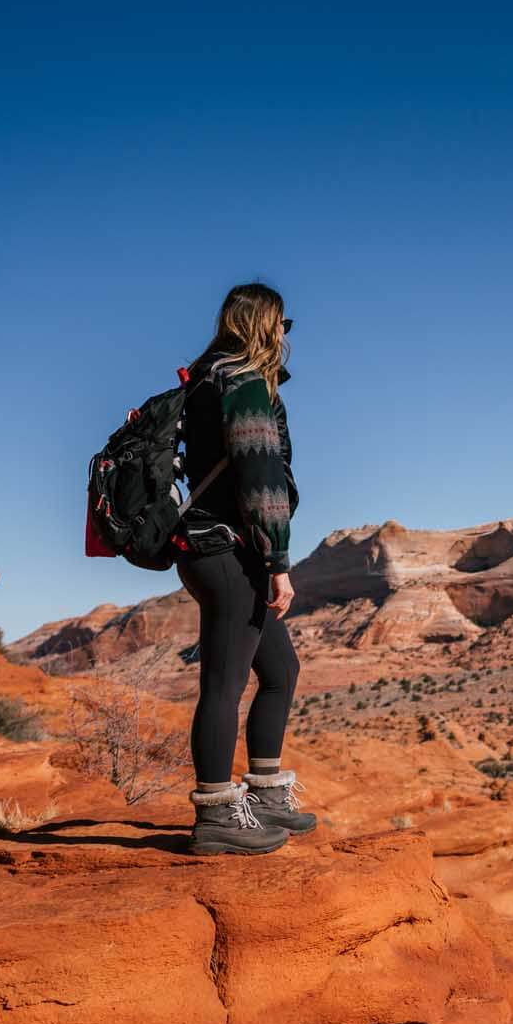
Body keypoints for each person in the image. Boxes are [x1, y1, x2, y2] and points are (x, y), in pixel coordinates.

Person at [178, 282, 314, 855]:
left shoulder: (211, 375)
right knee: (224, 684)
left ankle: (264, 794)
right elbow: (261, 478)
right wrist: (278, 562)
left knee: (280, 669)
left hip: (215, 549)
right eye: (284, 322)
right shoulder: (244, 379)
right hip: (228, 551)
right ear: (264, 323)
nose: (288, 333)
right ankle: (215, 814)